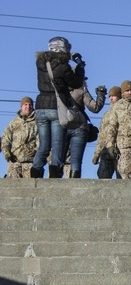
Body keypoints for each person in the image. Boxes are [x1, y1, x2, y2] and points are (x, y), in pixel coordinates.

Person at [31, 36, 86, 178]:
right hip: (56, 107)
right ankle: (54, 176)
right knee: (57, 145)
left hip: (40, 106)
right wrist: (80, 67)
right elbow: (76, 83)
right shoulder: (63, 66)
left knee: (43, 145)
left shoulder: (40, 62)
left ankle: (35, 171)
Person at [65, 78, 106, 178]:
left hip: (61, 126)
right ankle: (74, 186)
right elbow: (95, 108)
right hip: (78, 127)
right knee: (76, 160)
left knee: (57, 159)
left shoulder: (57, 88)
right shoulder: (81, 90)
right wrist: (101, 95)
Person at [2, 97, 38, 178]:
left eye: (30, 105)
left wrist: (35, 151)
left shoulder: (38, 123)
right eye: (25, 105)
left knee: (30, 188)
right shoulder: (14, 123)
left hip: (31, 162)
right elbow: (6, 139)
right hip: (15, 162)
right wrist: (7, 153)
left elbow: (41, 141)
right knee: (12, 186)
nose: (28, 107)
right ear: (21, 106)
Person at [92, 86, 121, 179]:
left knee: (122, 180)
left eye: (114, 96)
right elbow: (102, 136)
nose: (111, 98)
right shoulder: (106, 115)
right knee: (103, 179)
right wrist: (97, 154)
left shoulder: (123, 112)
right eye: (110, 96)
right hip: (106, 152)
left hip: (120, 151)